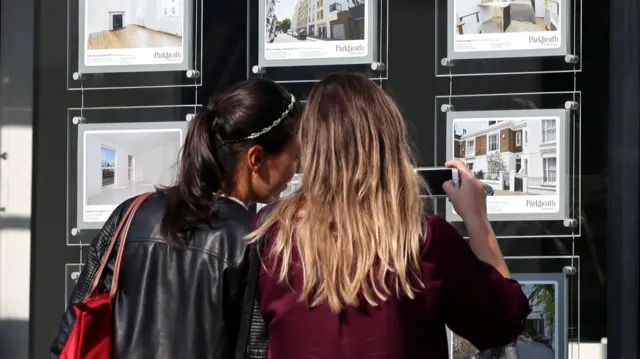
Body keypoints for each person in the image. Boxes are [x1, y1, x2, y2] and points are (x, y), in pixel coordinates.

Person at [250, 73, 531, 359]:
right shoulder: (424, 239)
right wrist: (477, 220)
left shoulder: (272, 236)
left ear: (310, 147)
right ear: (390, 145)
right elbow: (504, 322)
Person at [50, 78, 302, 358]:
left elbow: (71, 333)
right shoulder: (256, 238)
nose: (295, 169)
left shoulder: (130, 214)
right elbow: (257, 349)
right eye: (294, 156)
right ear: (256, 158)